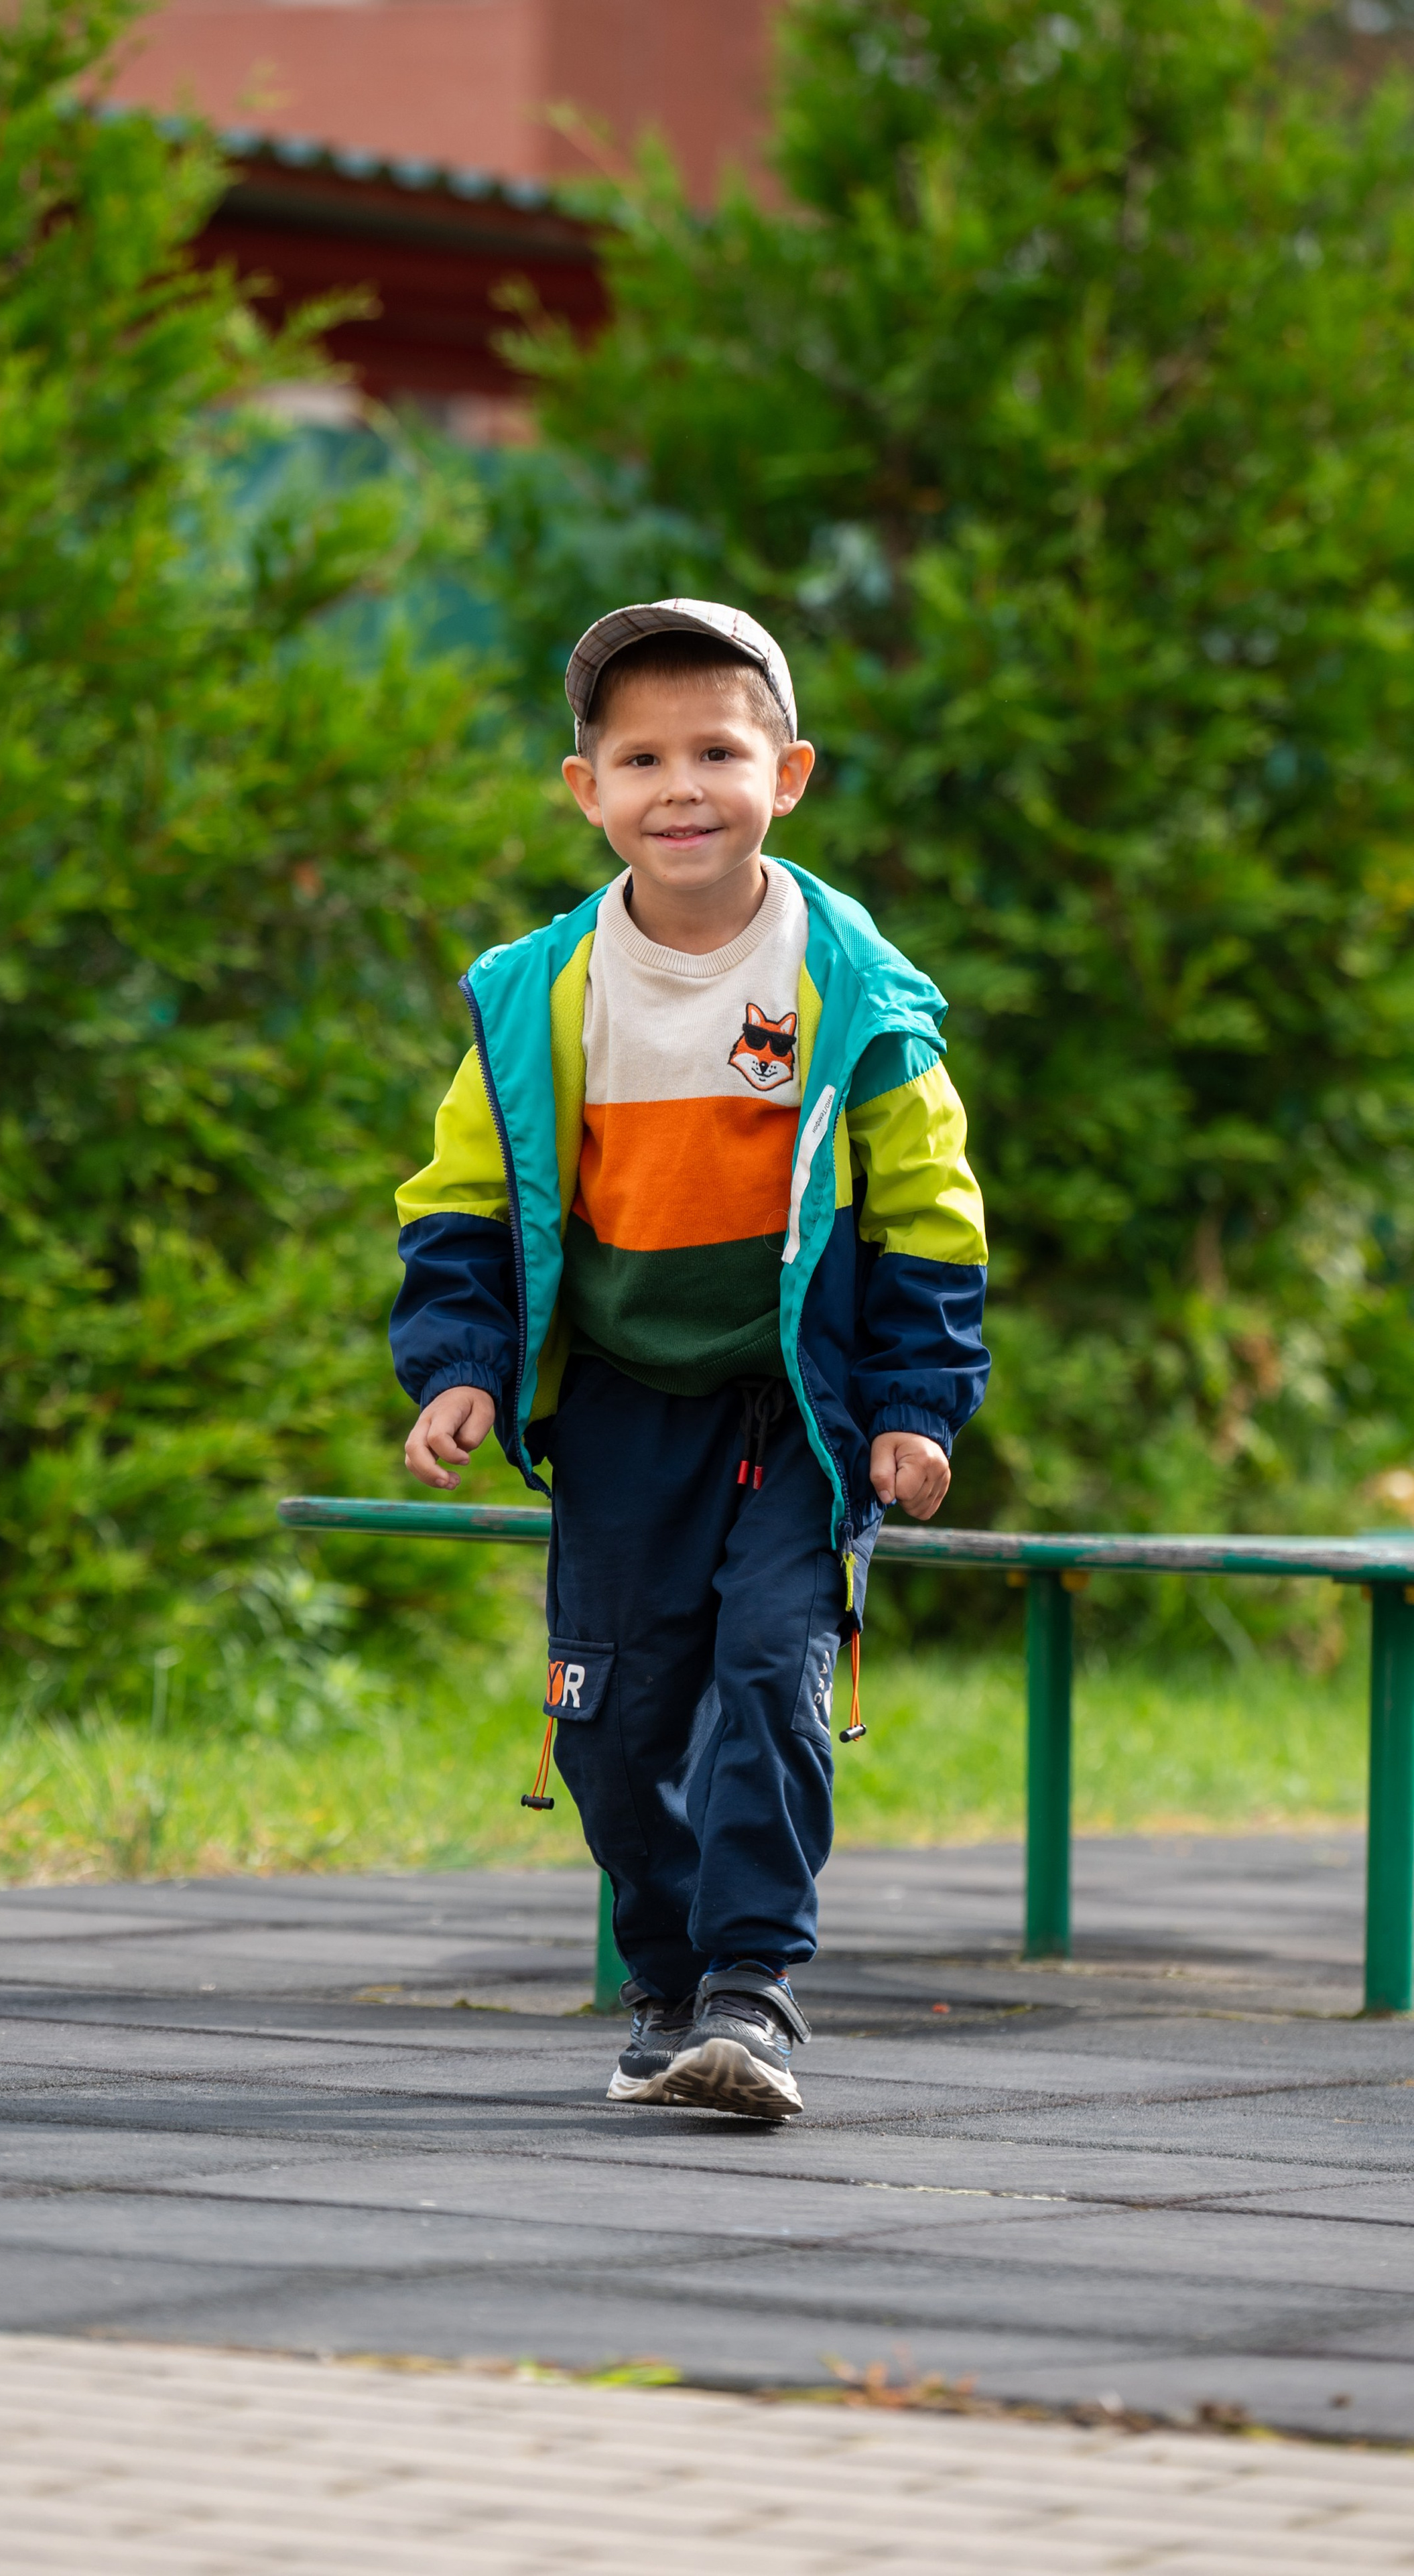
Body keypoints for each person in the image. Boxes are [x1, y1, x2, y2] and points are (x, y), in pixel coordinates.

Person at [389, 599, 988, 2120]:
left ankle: (751, 1990)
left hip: (792, 1402)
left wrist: (916, 1401)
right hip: (618, 1402)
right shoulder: (535, 993)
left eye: (715, 750)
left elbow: (927, 1210)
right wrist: (458, 1365)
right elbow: (465, 1197)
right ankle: (664, 1984)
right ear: (584, 790)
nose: (679, 785)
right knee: (608, 1716)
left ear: (784, 774)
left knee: (771, 1675)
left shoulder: (852, 991)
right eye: (638, 755)